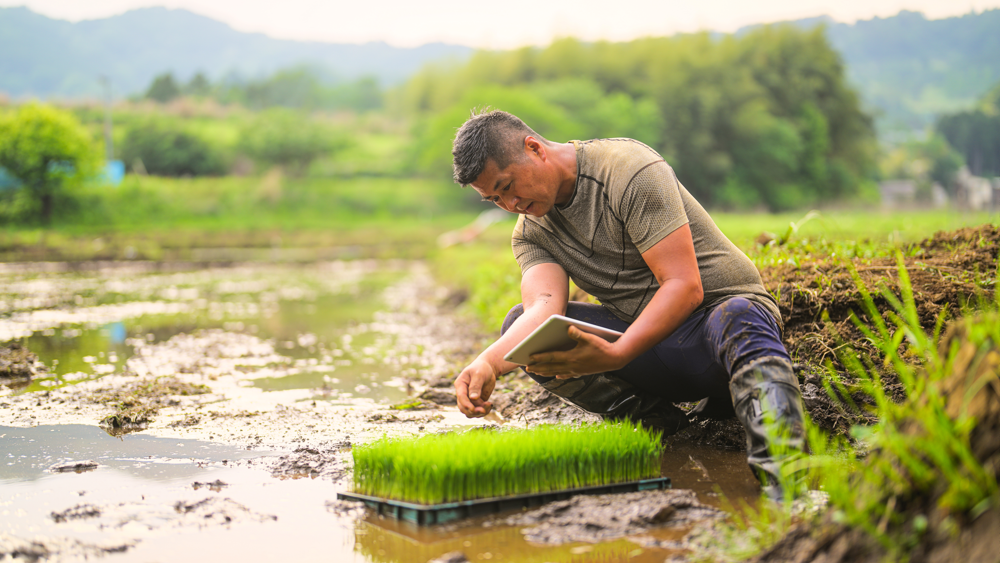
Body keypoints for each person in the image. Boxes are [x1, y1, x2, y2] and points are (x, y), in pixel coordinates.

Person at [450, 109, 805, 498]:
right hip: (651, 349)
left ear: (534, 149)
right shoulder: (530, 233)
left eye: (508, 185)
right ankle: (665, 427)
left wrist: (620, 351)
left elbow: (685, 287)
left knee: (738, 314)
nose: (510, 203)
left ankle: (787, 480)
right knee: (523, 330)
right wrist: (488, 362)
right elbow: (542, 307)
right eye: (494, 198)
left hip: (717, 334)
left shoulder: (627, 170)